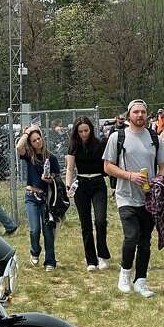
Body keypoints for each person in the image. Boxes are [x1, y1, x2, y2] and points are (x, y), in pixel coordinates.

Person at [103, 99, 164, 297]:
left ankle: (141, 280)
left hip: (149, 199)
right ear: (129, 115)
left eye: (143, 112)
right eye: (136, 112)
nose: (140, 115)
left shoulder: (154, 137)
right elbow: (107, 166)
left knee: (145, 240)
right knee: (131, 236)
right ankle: (124, 274)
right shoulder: (118, 137)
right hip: (126, 196)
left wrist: (159, 180)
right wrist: (130, 176)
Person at [65, 115, 112, 272]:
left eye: (86, 130)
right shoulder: (74, 146)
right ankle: (91, 260)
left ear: (91, 130)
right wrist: (68, 185)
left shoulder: (99, 144)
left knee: (100, 220)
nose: (84, 133)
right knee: (85, 223)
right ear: (76, 132)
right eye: (80, 131)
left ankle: (103, 255)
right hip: (81, 185)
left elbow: (107, 165)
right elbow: (70, 168)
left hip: (98, 183)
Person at [15, 126, 60, 271]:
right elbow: (18, 146)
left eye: (39, 138)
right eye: (34, 140)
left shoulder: (51, 157)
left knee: (48, 230)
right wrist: (28, 132)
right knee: (34, 229)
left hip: (46, 197)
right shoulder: (29, 155)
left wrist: (49, 179)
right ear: (31, 143)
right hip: (31, 197)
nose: (37, 142)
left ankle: (50, 261)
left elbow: (57, 177)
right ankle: (35, 251)